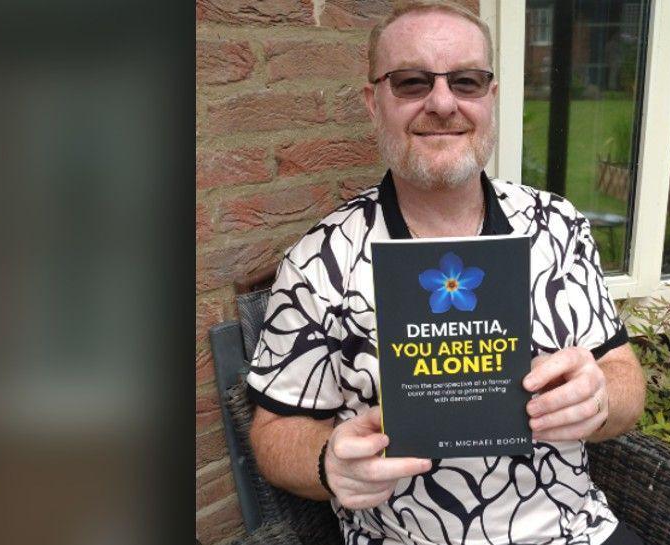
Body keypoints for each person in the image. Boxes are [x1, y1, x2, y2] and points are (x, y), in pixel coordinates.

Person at [247, 2, 646, 543]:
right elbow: (274, 430)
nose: (441, 103)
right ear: (373, 102)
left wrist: (601, 399)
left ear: (491, 97)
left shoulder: (558, 225)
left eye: (467, 81)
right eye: (411, 82)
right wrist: (328, 463)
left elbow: (623, 376)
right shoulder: (319, 261)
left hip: (573, 531)